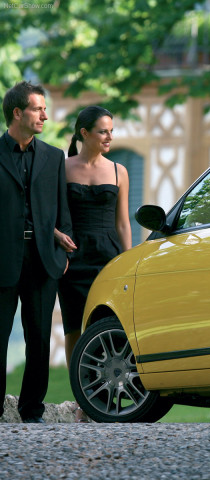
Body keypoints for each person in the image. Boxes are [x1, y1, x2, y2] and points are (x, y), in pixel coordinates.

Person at [0, 81, 74, 423]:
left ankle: (32, 411)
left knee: (40, 340)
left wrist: (63, 255)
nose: (45, 115)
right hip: (3, 260)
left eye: (45, 108)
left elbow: (63, 214)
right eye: (37, 109)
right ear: (18, 113)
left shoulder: (54, 157)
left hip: (44, 260)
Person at [55, 105, 131, 422]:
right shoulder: (62, 167)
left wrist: (129, 263)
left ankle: (106, 395)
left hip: (109, 257)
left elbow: (123, 223)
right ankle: (82, 398)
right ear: (84, 133)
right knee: (74, 328)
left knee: (110, 325)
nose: (109, 136)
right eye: (103, 131)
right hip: (73, 258)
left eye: (111, 130)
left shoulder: (119, 171)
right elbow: (50, 213)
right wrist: (56, 235)